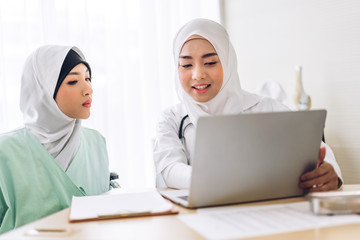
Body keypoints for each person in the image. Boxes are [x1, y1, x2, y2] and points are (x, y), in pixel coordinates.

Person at [153, 18, 342, 192]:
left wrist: (330, 173)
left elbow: (317, 150)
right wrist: (228, 179)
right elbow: (170, 170)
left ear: (228, 63)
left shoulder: (268, 109)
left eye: (210, 62)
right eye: (186, 65)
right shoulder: (171, 119)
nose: (198, 74)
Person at [0, 45, 110, 234]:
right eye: (73, 81)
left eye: (88, 78)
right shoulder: (6, 152)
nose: (88, 89)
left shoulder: (96, 143)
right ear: (44, 90)